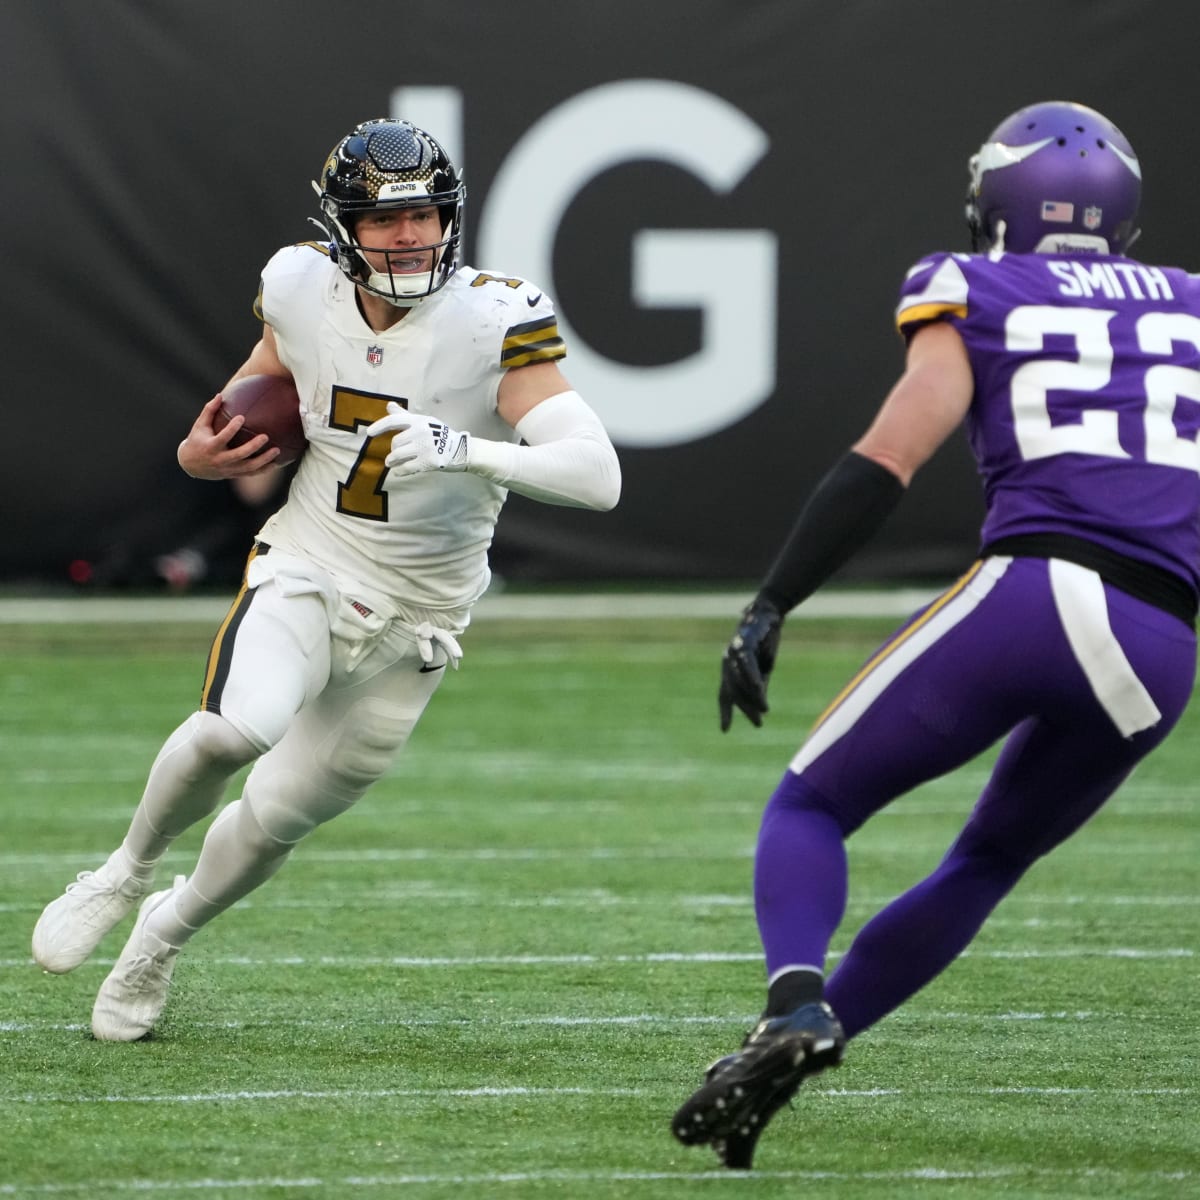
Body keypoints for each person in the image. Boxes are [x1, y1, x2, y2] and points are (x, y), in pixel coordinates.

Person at [671, 100, 1200, 1169]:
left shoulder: (977, 283)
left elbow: (888, 457)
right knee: (990, 856)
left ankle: (794, 1002)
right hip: (1162, 643)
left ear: (994, 201)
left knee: (811, 801)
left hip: (1041, 588)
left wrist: (774, 601)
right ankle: (798, 1050)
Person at [32, 118, 621, 1040]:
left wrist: (469, 451)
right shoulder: (299, 286)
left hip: (421, 620)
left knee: (274, 822)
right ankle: (125, 867)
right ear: (342, 227)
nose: (410, 235)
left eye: (425, 213)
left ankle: (160, 937)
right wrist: (198, 456)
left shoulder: (493, 316)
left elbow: (598, 475)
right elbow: (250, 406)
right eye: (385, 220)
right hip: (312, 560)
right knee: (234, 731)